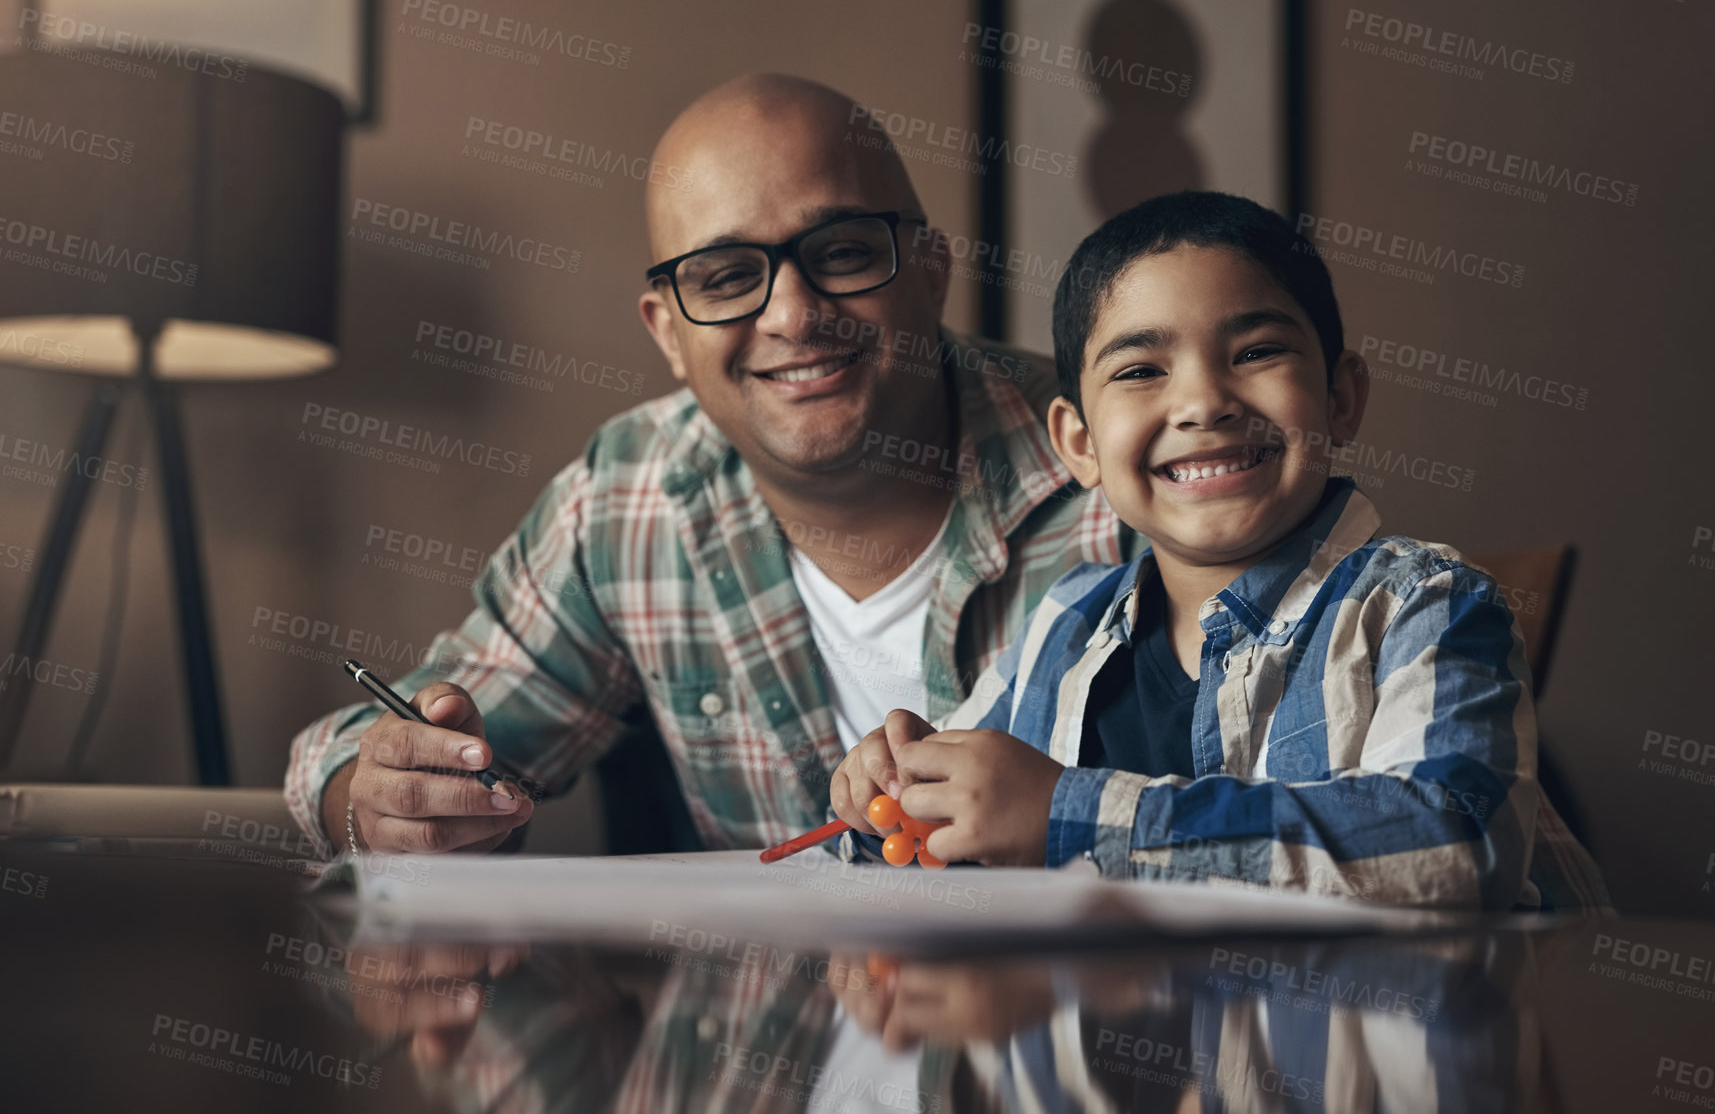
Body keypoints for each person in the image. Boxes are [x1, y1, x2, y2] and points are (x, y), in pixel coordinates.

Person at [283, 73, 1135, 857]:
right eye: (726, 277)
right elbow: (377, 747)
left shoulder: (1124, 460)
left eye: (840, 252)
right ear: (668, 335)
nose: (794, 316)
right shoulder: (629, 498)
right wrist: (377, 796)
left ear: (932, 271)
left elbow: (1250, 799)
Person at [830, 191, 1611, 910]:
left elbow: (1455, 841)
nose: (1203, 402)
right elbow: (958, 823)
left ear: (1340, 398)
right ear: (1079, 443)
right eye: (1140, 370)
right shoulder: (1063, 625)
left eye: (1255, 352)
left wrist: (1069, 815)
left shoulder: (1423, 607)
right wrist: (886, 796)